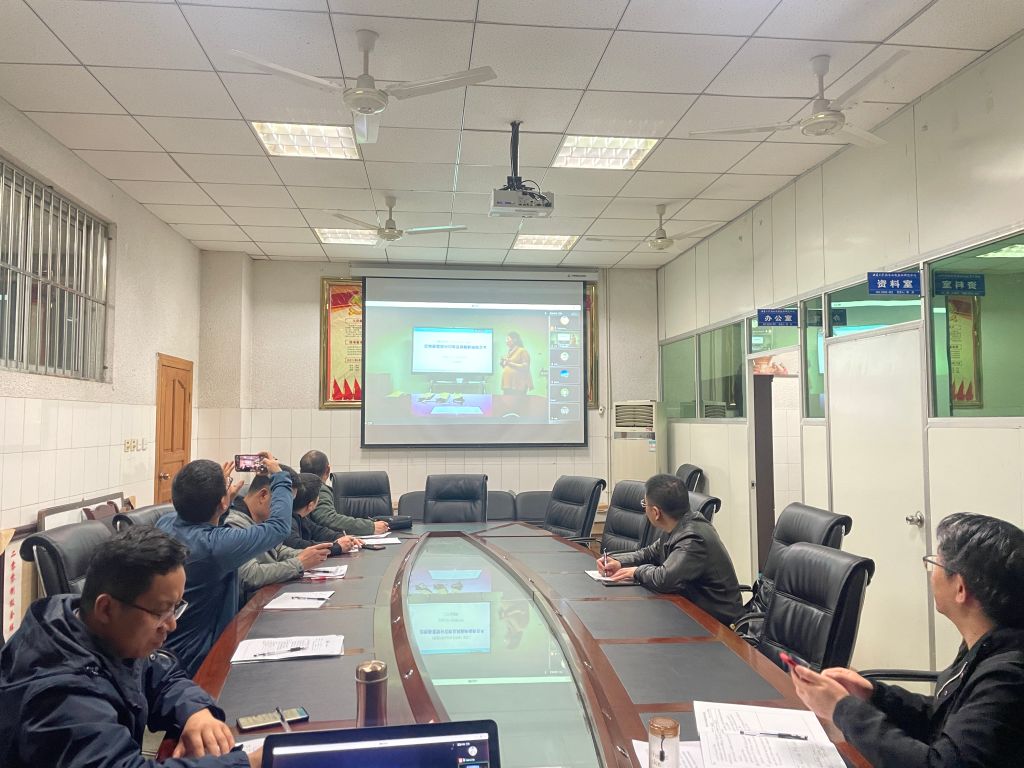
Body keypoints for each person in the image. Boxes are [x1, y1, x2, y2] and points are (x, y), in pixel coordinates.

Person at [0, 526, 260, 767]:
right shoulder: (60, 696)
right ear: (106, 608)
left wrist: (196, 712)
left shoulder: (89, 627)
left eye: (175, 607)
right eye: (160, 611)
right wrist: (248, 763)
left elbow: (159, 673)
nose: (171, 625)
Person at [790, 512, 1024, 766]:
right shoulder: (989, 641)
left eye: (935, 564)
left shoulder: (1006, 679)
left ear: (960, 588)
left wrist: (842, 709)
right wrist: (876, 696)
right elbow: (946, 719)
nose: (931, 573)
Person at [157, 452, 292, 676]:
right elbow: (278, 527)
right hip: (197, 661)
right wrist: (279, 475)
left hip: (167, 650)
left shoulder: (165, 522)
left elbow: (204, 526)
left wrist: (222, 504)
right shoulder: (216, 546)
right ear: (221, 501)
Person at [597, 474, 744, 626]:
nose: (644, 509)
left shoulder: (693, 538)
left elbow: (664, 579)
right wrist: (619, 561)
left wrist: (636, 571)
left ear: (656, 512)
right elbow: (648, 553)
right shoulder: (677, 526)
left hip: (718, 625)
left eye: (644, 504)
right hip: (691, 612)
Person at [224, 472, 335, 604]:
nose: (287, 510)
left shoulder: (259, 518)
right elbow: (250, 576)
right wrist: (299, 563)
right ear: (263, 496)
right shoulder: (233, 524)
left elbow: (276, 550)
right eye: (283, 502)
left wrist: (308, 555)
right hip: (247, 608)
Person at [299, 449, 387, 536]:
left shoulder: (297, 487)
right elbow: (329, 519)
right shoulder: (318, 489)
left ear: (301, 471)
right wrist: (370, 527)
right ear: (328, 470)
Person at [285, 472, 363, 556]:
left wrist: (341, 537)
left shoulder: (300, 517)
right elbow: (298, 546)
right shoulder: (286, 521)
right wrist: (337, 547)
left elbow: (318, 531)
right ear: (311, 505)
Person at [500, 331, 532, 395]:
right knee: (507, 400)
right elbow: (509, 366)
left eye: (508, 339)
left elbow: (525, 367)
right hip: (508, 384)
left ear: (515, 339)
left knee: (517, 401)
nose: (506, 341)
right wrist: (503, 363)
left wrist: (509, 363)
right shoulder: (510, 351)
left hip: (518, 384)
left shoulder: (522, 351)